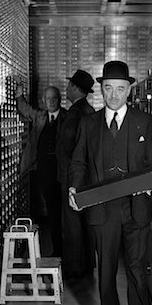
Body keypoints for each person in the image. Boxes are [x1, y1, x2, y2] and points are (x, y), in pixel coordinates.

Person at [68, 61, 152, 305]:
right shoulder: (89, 123)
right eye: (108, 88)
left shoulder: (144, 122)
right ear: (101, 89)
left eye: (120, 89)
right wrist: (74, 186)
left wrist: (150, 181)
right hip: (102, 208)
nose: (113, 95)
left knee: (137, 271)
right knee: (106, 268)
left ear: (129, 90)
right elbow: (79, 162)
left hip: (136, 209)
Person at [15, 81, 67, 256]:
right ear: (44, 101)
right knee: (52, 212)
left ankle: (70, 251)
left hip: (63, 172)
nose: (51, 102)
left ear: (59, 99)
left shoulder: (68, 117)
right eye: (48, 99)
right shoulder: (40, 116)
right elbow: (25, 109)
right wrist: (19, 94)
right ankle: (58, 249)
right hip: (45, 172)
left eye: (54, 98)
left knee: (66, 213)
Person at [56, 70, 95, 278]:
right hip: (86, 177)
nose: (67, 89)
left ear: (74, 88)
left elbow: (70, 147)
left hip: (72, 177)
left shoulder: (75, 113)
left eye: (69, 85)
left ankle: (74, 269)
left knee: (72, 225)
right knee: (84, 223)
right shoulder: (89, 110)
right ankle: (86, 266)